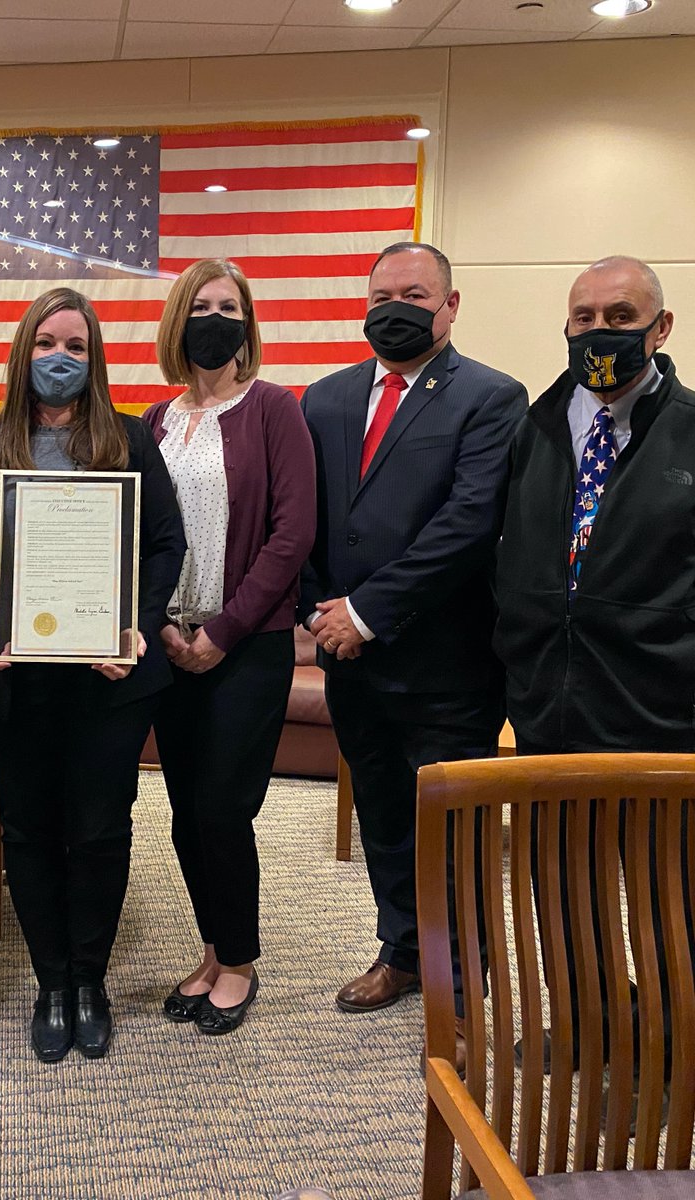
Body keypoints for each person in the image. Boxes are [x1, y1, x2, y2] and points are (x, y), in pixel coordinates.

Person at [300, 242, 526, 1067]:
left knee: (452, 831)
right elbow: (304, 522)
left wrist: (364, 611)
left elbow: (468, 525)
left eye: (415, 293)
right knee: (386, 818)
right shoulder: (322, 400)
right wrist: (319, 613)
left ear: (452, 305)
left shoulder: (492, 397)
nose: (396, 306)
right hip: (350, 660)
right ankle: (400, 953)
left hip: (449, 662)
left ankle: (461, 986)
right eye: (382, 293)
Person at [0, 287, 184, 1063]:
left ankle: (91, 981)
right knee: (29, 830)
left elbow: (163, 547)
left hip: (107, 680)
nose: (60, 358)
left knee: (101, 831)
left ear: (96, 358)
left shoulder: (129, 440)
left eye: (76, 347)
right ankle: (51, 984)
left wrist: (138, 628)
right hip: (13, 679)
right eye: (47, 342)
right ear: (23, 351)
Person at [494, 255, 692, 1080]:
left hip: (661, 710)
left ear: (661, 327)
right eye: (585, 319)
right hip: (551, 705)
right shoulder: (537, 426)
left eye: (620, 316)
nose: (600, 333)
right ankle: (582, 1017)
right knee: (560, 885)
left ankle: (675, 1031)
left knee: (666, 895)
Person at [142, 258, 316, 1035]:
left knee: (223, 806)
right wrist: (163, 628)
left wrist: (222, 631)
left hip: (246, 643)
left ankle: (239, 962)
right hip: (168, 642)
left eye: (229, 306)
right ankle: (211, 949)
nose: (216, 318)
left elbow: (291, 535)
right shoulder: (156, 419)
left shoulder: (274, 408)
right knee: (183, 810)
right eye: (200, 305)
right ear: (178, 322)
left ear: (247, 324)